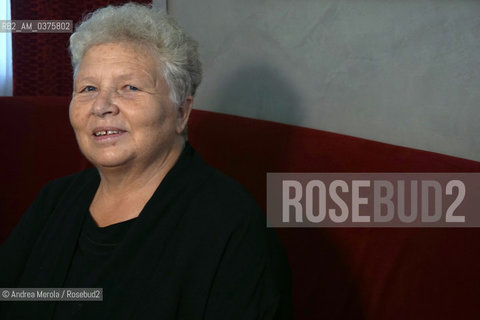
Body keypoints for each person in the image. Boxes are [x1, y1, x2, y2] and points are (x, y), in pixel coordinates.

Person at [0, 3, 292, 319]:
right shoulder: (55, 200)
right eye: (88, 88)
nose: (101, 106)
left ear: (181, 112)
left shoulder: (231, 225)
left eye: (130, 88)